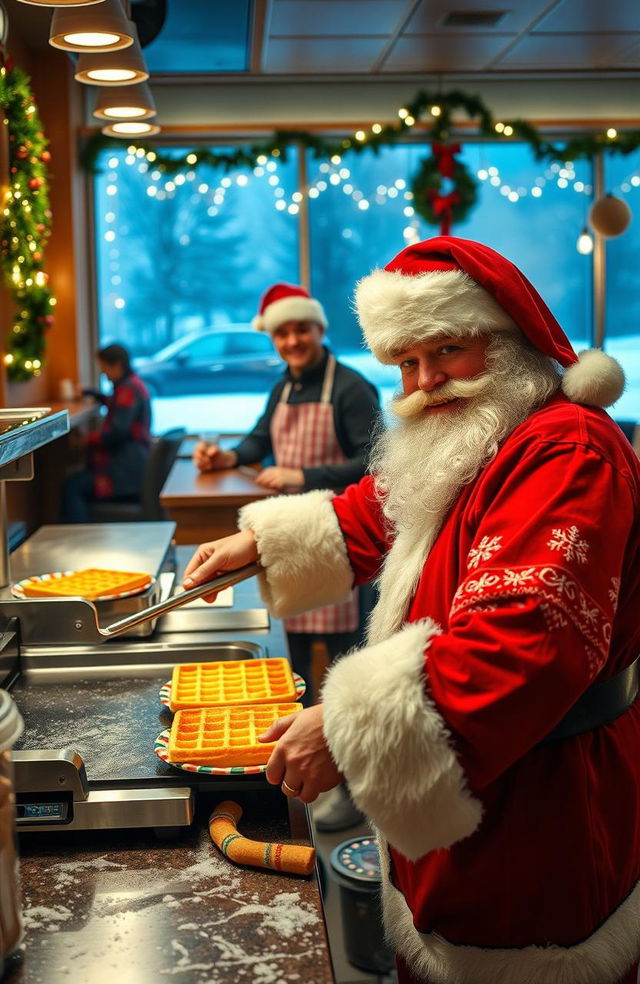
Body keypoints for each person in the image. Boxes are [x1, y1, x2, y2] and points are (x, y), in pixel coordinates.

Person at [183, 237, 640, 984]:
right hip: (470, 789)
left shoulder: (567, 452)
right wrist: (257, 545)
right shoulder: (487, 431)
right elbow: (386, 507)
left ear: (510, 340)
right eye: (406, 363)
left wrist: (345, 723)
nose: (426, 381)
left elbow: (525, 640)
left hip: (542, 805)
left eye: (447, 350)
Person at [193, 284, 380, 696]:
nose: (292, 341)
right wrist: (227, 456)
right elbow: (259, 439)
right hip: (288, 541)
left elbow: (376, 464)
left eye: (301, 330)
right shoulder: (283, 387)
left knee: (345, 667)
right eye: (282, 334)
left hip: (341, 539)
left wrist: (303, 476)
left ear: (318, 330)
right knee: (292, 659)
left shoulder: (352, 388)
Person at [60, 343, 151, 523]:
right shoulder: (132, 385)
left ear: (116, 365)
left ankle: (78, 538)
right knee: (75, 481)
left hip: (125, 472)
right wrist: (91, 393)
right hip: (134, 466)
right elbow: (114, 404)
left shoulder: (127, 390)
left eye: (104, 368)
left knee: (72, 487)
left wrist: (86, 440)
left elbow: (116, 433)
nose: (103, 373)